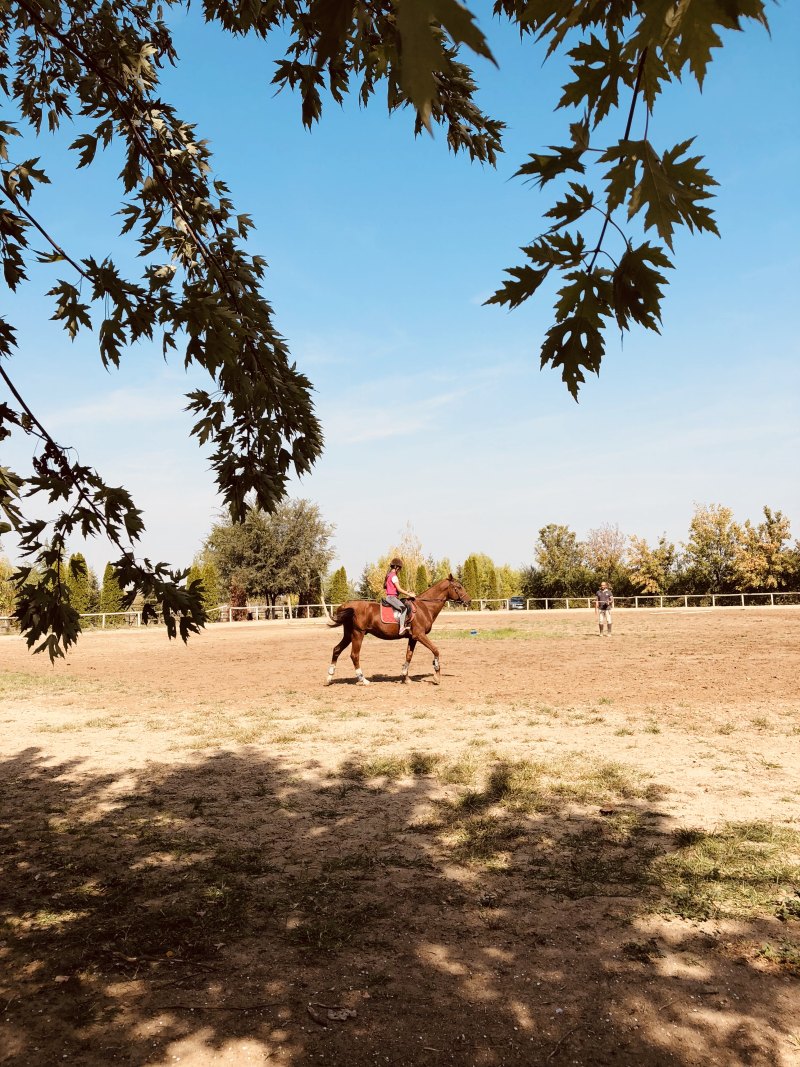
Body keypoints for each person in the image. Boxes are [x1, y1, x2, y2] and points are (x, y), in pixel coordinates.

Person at [384, 557, 415, 634]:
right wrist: (409, 594)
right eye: (400, 569)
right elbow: (399, 589)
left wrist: (407, 594)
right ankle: (401, 627)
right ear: (396, 567)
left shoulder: (389, 575)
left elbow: (396, 590)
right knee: (404, 609)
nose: (400, 570)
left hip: (391, 597)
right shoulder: (394, 576)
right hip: (391, 598)